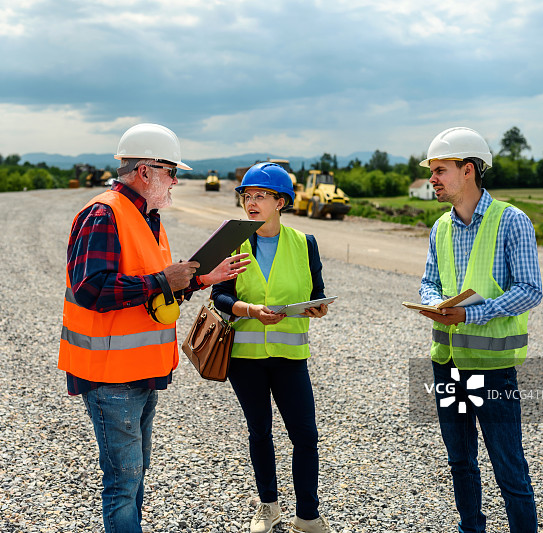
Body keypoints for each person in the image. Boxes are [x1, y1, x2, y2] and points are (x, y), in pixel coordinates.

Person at [58, 123, 250, 532]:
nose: (176, 180)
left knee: (134, 476)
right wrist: (165, 280)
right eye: (170, 171)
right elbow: (92, 289)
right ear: (145, 171)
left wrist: (199, 279)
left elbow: (152, 296)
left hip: (141, 372)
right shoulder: (103, 214)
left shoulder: (149, 218)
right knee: (123, 483)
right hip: (110, 376)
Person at [415, 127, 542, 533]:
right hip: (447, 364)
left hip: (492, 367)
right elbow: (429, 281)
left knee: (508, 467)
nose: (432, 179)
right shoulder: (440, 229)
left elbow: (530, 290)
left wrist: (472, 315)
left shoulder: (512, 221)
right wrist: (433, 301)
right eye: (432, 171)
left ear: (467, 170)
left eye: (440, 170)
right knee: (460, 462)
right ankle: (471, 527)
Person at [211, 163, 335, 533]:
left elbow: (317, 293)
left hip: (290, 358)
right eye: (247, 196)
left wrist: (319, 306)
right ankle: (268, 506)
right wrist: (249, 310)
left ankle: (308, 515)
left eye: (260, 196)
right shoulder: (230, 241)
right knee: (259, 431)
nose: (251, 202)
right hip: (244, 358)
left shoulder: (305, 243)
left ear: (281, 202)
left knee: (305, 435)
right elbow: (219, 295)